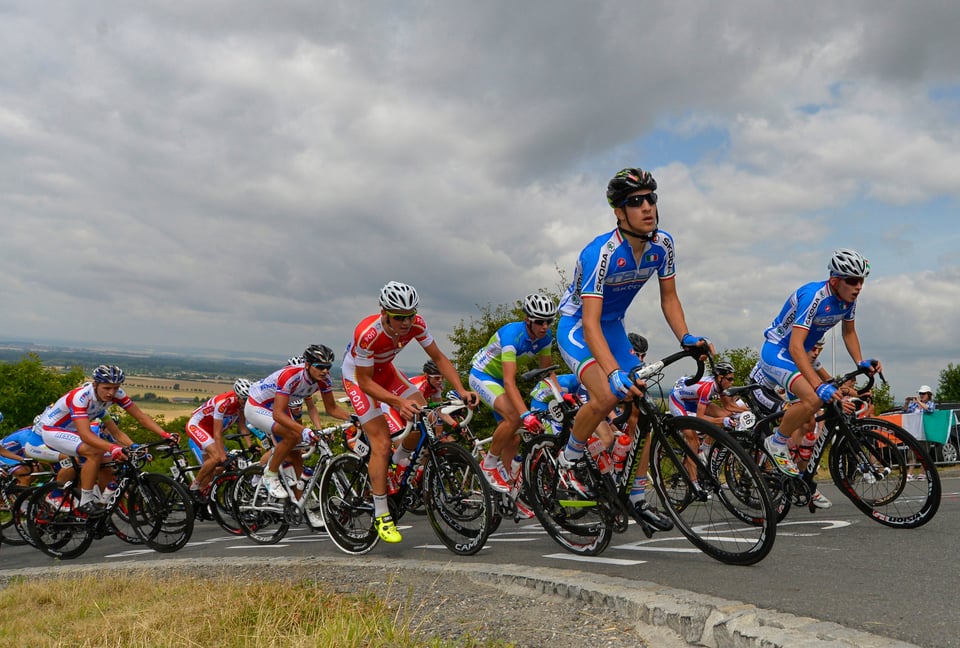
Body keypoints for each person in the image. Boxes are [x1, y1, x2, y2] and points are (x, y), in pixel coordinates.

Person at [555, 167, 711, 532]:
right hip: (579, 327)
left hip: (613, 326)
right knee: (609, 394)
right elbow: (590, 323)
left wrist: (686, 337)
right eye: (635, 201)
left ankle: (637, 495)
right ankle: (569, 458)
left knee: (645, 410)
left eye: (651, 198)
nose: (647, 207)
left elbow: (669, 298)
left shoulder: (663, 245)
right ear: (619, 212)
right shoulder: (601, 254)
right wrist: (612, 372)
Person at [341, 281, 479, 544]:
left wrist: (461, 390)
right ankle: (382, 515)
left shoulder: (417, 324)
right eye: (399, 317)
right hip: (359, 379)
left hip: (387, 372)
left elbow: (439, 358)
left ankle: (400, 458)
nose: (406, 323)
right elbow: (367, 382)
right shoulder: (367, 333)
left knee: (428, 415)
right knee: (381, 443)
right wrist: (396, 402)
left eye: (410, 316)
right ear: (384, 313)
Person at [757, 248, 881, 477]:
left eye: (861, 281)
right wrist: (818, 384)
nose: (858, 287)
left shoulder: (848, 300)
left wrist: (860, 361)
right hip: (777, 351)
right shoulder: (814, 296)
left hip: (798, 353)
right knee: (814, 396)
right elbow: (795, 346)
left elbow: (849, 333)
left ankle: (805, 480)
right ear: (835, 280)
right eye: (853, 281)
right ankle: (777, 442)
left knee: (821, 402)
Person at [37, 364, 178, 515]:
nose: (111, 393)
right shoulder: (81, 397)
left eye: (115, 388)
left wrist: (165, 434)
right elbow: (85, 435)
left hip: (74, 431)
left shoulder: (117, 395)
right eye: (107, 388)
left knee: (107, 463)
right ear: (95, 384)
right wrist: (112, 447)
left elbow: (141, 417)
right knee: (95, 452)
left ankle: (104, 508)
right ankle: (85, 501)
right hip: (52, 430)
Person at [470, 293, 558, 493]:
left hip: (500, 382)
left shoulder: (546, 337)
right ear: (528, 320)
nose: (545, 326)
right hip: (483, 376)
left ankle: (509, 489)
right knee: (514, 418)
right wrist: (525, 415)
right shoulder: (512, 335)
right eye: (539, 322)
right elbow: (510, 382)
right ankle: (489, 464)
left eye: (548, 321)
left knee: (514, 437)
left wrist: (561, 397)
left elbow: (547, 373)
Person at [245, 345, 351, 500]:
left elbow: (331, 408)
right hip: (257, 406)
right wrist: (303, 430)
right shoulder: (291, 376)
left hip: (278, 407)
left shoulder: (324, 379)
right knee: (293, 435)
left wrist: (353, 418)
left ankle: (300, 502)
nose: (325, 371)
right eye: (320, 367)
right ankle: (270, 474)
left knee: (297, 457)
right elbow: (278, 415)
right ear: (307, 365)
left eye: (328, 367)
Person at [184, 378, 251, 499]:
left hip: (209, 432)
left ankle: (200, 496)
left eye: (248, 400)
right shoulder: (223, 402)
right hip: (197, 426)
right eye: (244, 400)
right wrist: (223, 456)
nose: (246, 403)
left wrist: (250, 446)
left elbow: (243, 427)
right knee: (216, 458)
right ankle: (194, 486)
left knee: (211, 469)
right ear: (237, 396)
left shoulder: (241, 405)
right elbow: (217, 434)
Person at [904, 386, 935, 480]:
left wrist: (919, 402)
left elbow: (929, 409)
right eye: (920, 394)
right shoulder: (914, 405)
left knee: (924, 453)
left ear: (928, 395)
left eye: (923, 394)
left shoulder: (930, 403)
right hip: (914, 431)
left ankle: (923, 473)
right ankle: (910, 473)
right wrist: (907, 402)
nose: (921, 395)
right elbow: (905, 411)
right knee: (912, 453)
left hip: (925, 432)